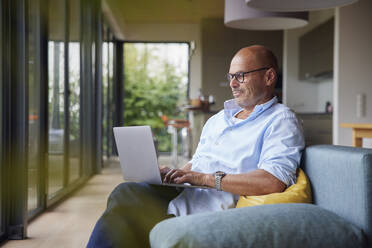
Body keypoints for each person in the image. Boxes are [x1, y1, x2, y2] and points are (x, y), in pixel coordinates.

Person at [86, 45, 304, 247]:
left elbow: (273, 181)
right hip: (184, 194)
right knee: (124, 197)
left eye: (240, 76)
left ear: (269, 76)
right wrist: (178, 173)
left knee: (125, 203)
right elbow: (198, 163)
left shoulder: (281, 120)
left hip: (206, 209)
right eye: (230, 76)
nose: (232, 84)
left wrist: (203, 178)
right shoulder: (218, 119)